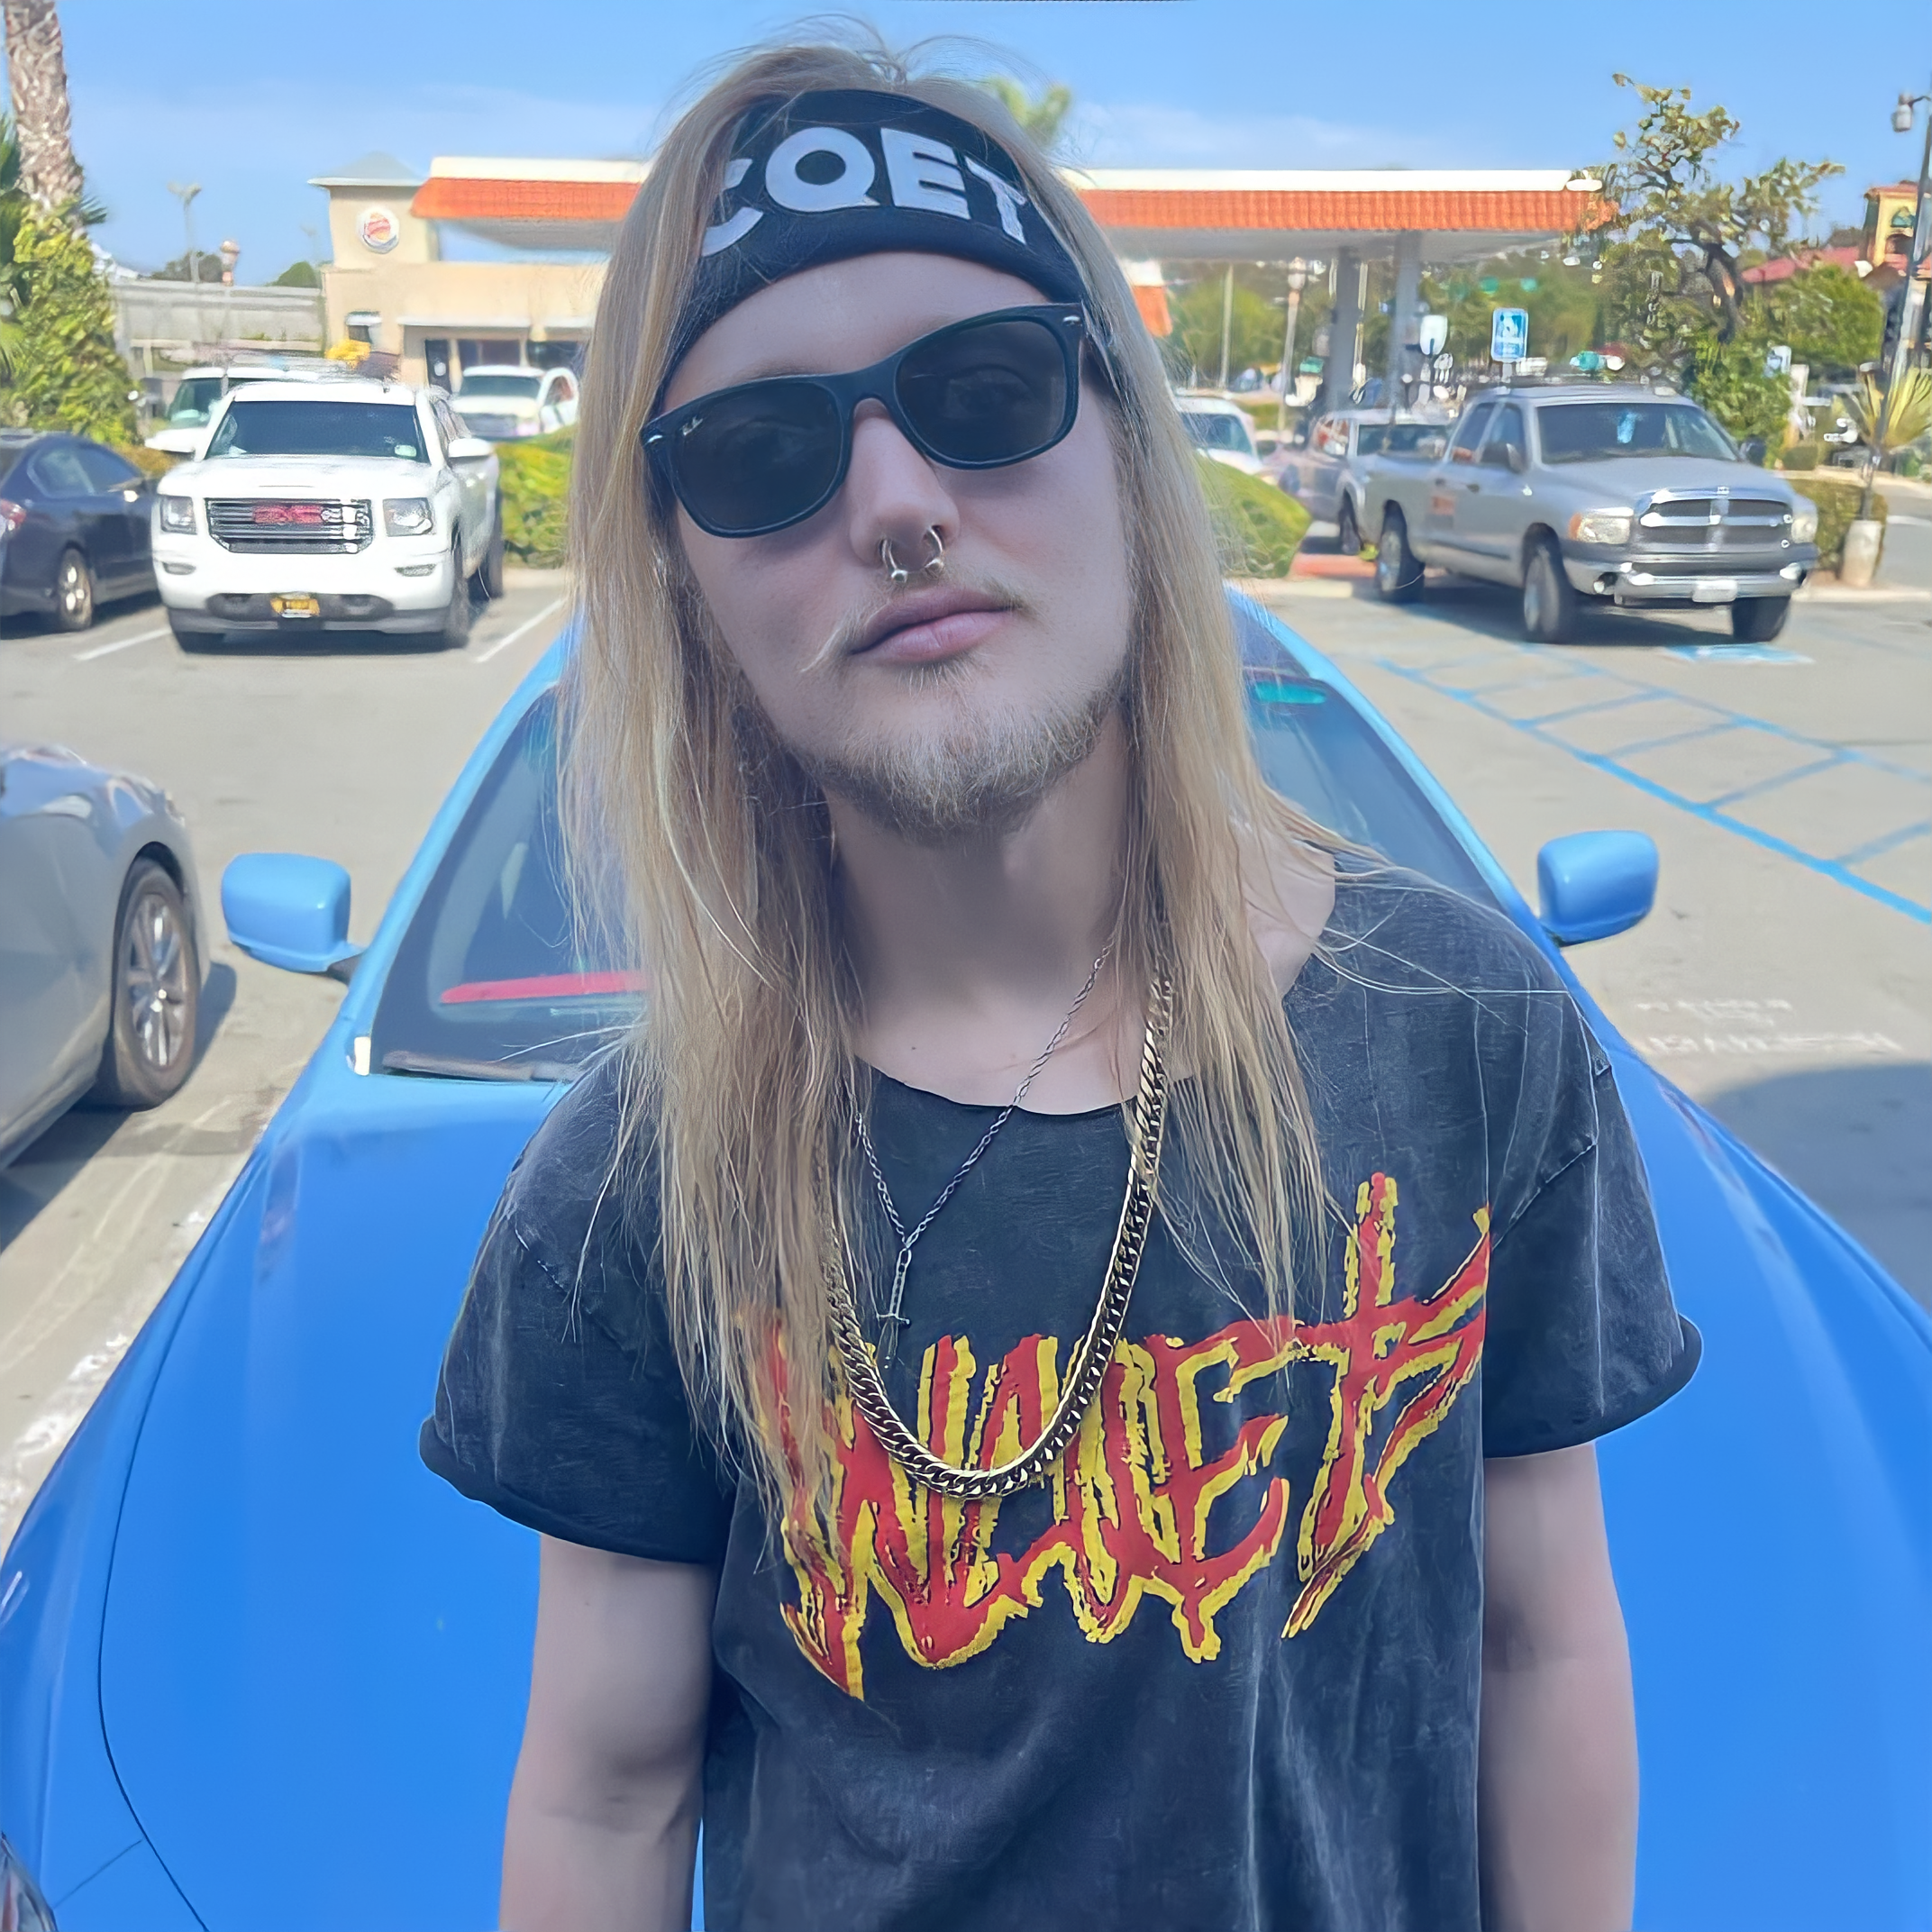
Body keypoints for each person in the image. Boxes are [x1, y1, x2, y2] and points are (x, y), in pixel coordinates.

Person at [421, 41, 1699, 1932]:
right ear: (685, 582)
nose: (896, 500)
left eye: (982, 391)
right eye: (762, 453)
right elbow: (607, 1796)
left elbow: (1541, 1652)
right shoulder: (633, 1182)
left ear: (1123, 441)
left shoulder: (1463, 1030)